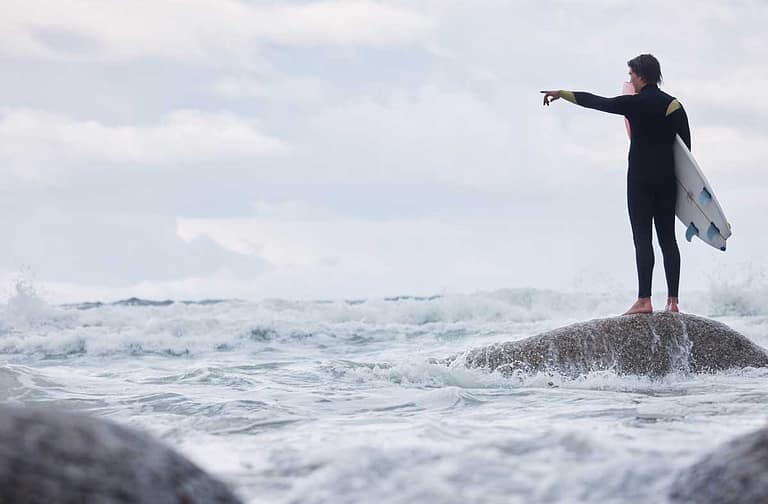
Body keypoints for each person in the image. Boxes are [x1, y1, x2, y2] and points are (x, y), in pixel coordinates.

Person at [540, 54, 691, 315]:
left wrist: (562, 94)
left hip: (640, 180)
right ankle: (673, 301)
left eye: (631, 74)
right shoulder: (674, 105)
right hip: (667, 181)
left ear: (641, 75)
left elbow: (597, 102)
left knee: (642, 238)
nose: (629, 79)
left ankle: (644, 300)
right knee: (668, 239)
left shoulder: (634, 104)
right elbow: (686, 150)